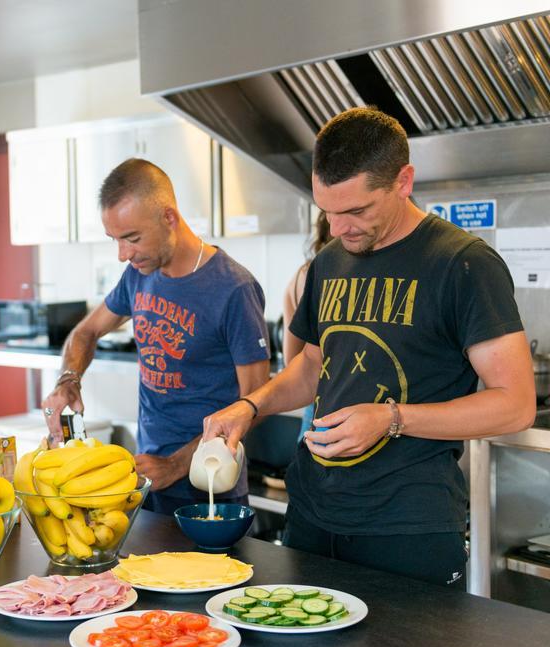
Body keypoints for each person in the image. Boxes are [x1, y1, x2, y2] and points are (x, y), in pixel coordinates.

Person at [204, 107, 535, 587]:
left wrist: (392, 417)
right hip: (313, 513)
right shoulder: (330, 262)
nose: (338, 229)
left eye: (356, 211)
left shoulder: (463, 264)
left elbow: (517, 404)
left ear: (404, 181)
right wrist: (250, 406)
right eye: (328, 212)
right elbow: (312, 367)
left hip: (407, 529)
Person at [42, 158, 270, 514]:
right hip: (145, 478)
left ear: (169, 218)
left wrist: (176, 465)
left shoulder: (233, 288)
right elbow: (86, 331)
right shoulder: (138, 274)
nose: (122, 255)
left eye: (132, 238)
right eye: (115, 240)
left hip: (209, 486)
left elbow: (255, 402)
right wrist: (68, 379)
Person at [282, 213, 332, 441]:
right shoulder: (328, 275)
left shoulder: (301, 278)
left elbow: (292, 361)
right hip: (355, 412)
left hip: (316, 410)